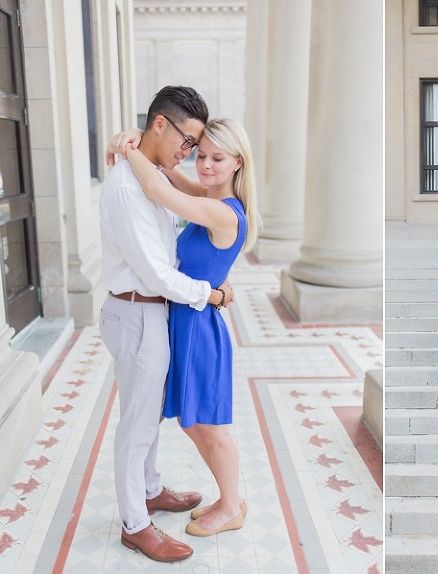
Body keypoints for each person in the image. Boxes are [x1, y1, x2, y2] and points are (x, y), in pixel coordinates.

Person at [99, 86, 234, 562]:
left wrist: (130, 144)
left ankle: (150, 489)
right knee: (136, 424)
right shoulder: (126, 187)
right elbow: (157, 272)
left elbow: (176, 191)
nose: (190, 153)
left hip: (151, 310)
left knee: (149, 415)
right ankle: (136, 524)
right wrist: (210, 294)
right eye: (189, 141)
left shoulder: (152, 172)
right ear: (161, 124)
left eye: (199, 148)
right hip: (137, 309)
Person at [113, 116, 259, 538]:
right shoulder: (209, 195)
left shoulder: (222, 211)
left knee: (211, 425)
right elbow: (170, 175)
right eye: (201, 154)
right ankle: (228, 496)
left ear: (237, 163)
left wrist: (131, 152)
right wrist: (136, 138)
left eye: (217, 158)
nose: (205, 165)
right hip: (185, 320)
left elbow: (158, 188)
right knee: (191, 422)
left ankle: (232, 505)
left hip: (199, 330)